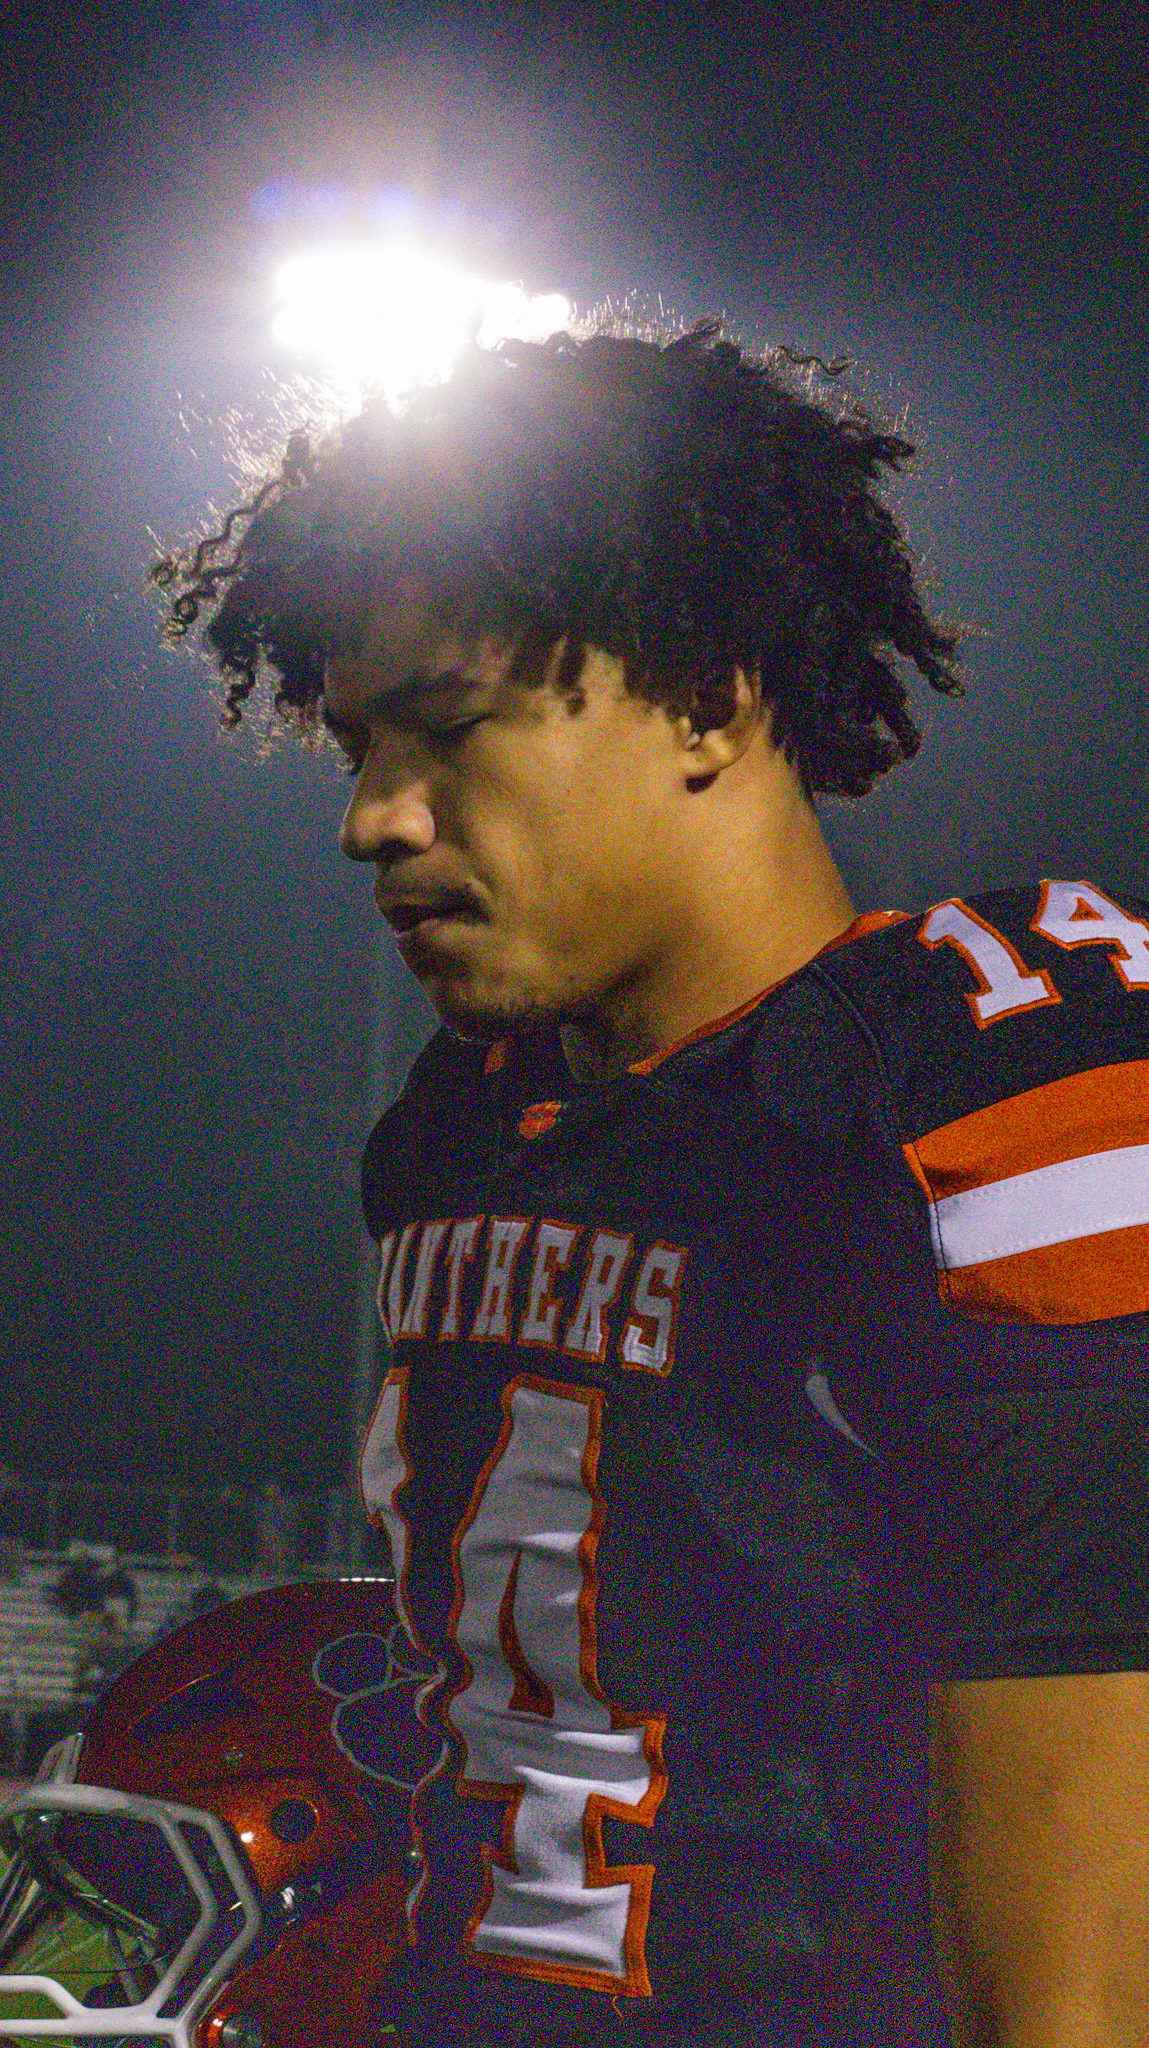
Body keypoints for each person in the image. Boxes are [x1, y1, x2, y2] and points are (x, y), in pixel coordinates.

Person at [153, 319, 1149, 2047]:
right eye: (359, 747)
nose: (374, 818)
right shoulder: (459, 1127)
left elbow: (1075, 1977)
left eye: (446, 730)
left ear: (705, 698)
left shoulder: (982, 1087)